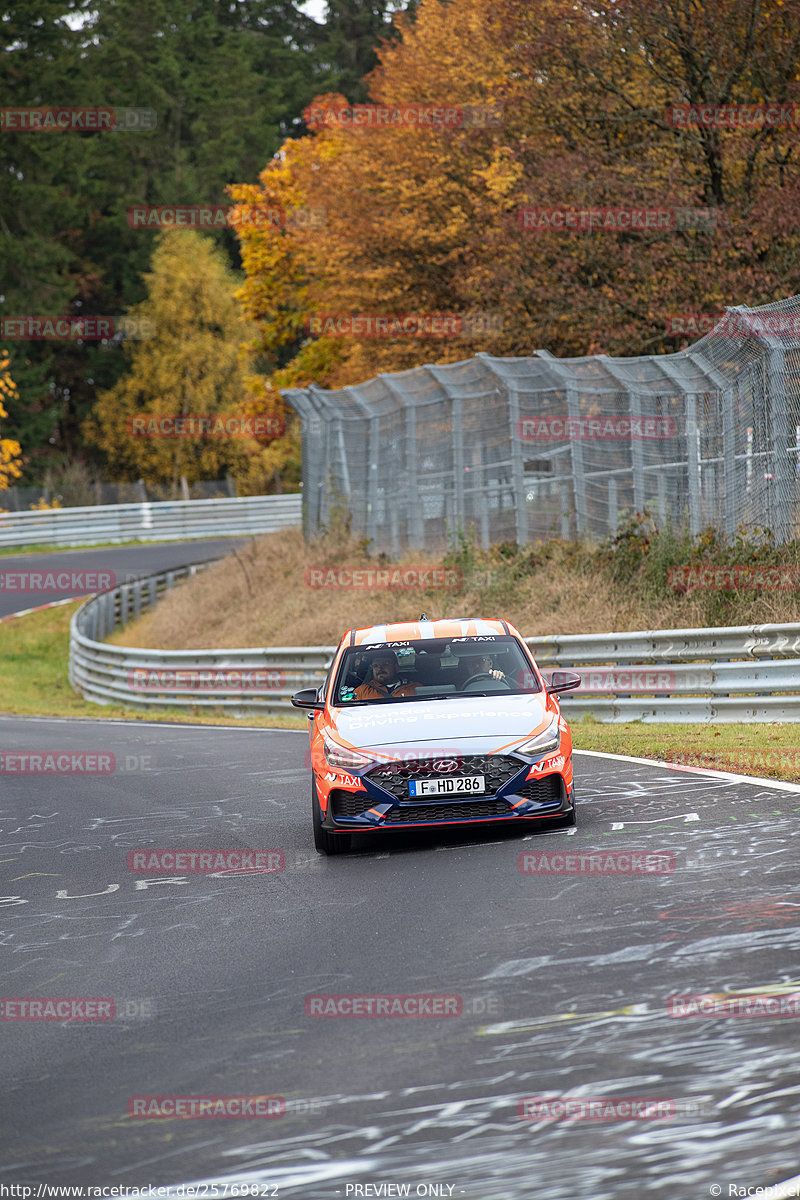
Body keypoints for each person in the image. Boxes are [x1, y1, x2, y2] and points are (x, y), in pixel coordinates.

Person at [354, 649, 419, 700]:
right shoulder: (361, 691)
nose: (380, 668)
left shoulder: (414, 688)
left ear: (396, 667)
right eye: (376, 666)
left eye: (385, 664)